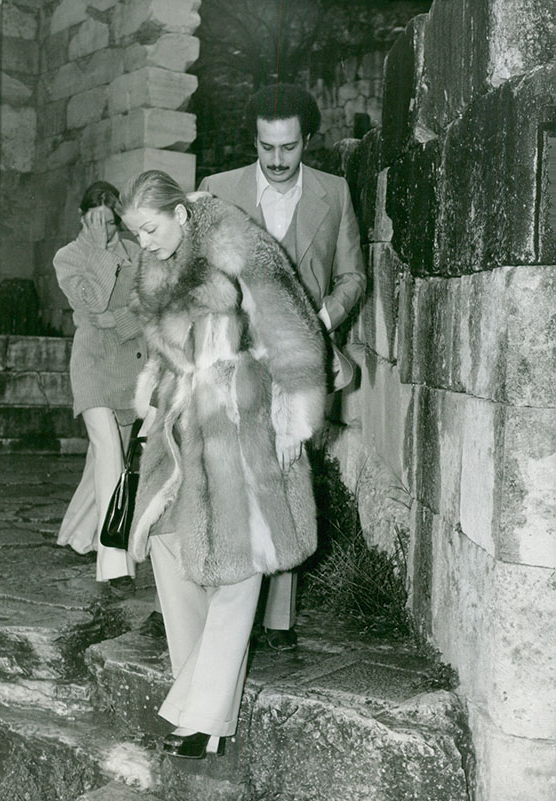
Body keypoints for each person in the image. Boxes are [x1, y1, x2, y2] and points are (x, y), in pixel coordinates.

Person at [120, 169, 326, 759]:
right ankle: (197, 701)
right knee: (170, 549)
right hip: (181, 427)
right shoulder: (156, 265)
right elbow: (164, 349)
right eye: (136, 234)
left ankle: (203, 716)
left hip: (242, 423)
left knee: (238, 570)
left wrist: (295, 416)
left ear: (181, 214)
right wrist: (152, 399)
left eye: (150, 229)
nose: (144, 243)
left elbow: (295, 331)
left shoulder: (238, 244)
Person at [199, 82, 367, 651]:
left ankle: (277, 620)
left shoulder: (334, 193)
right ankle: (222, 605)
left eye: (289, 147)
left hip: (298, 361)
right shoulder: (217, 190)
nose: (276, 159)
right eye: (266, 146)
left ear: (307, 140)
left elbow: (353, 276)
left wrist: (320, 319)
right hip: (233, 358)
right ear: (254, 140)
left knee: (287, 472)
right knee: (227, 473)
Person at [54, 180, 145, 595]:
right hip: (91, 364)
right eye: (97, 222)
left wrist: (121, 320)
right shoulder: (68, 257)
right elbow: (92, 302)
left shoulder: (138, 253)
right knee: (109, 451)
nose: (106, 231)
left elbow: (150, 304)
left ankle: (77, 533)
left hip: (129, 365)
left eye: (111, 223)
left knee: (107, 458)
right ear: (82, 219)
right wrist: (98, 251)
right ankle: (114, 561)